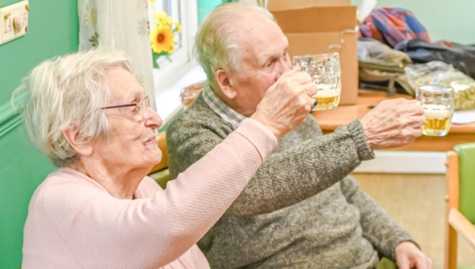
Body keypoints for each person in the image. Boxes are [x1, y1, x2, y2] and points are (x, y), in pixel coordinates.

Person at [166, 3, 432, 269]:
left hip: (363, 260)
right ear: (226, 82)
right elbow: (250, 190)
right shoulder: (190, 131)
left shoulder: (290, 105)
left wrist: (398, 241)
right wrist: (362, 136)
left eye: (285, 53)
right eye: (270, 62)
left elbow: (342, 188)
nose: (288, 72)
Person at [15, 47, 318, 268]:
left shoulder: (142, 188)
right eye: (133, 107)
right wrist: (265, 125)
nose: (156, 119)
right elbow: (168, 223)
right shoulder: (58, 202)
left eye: (145, 103)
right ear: (80, 136)